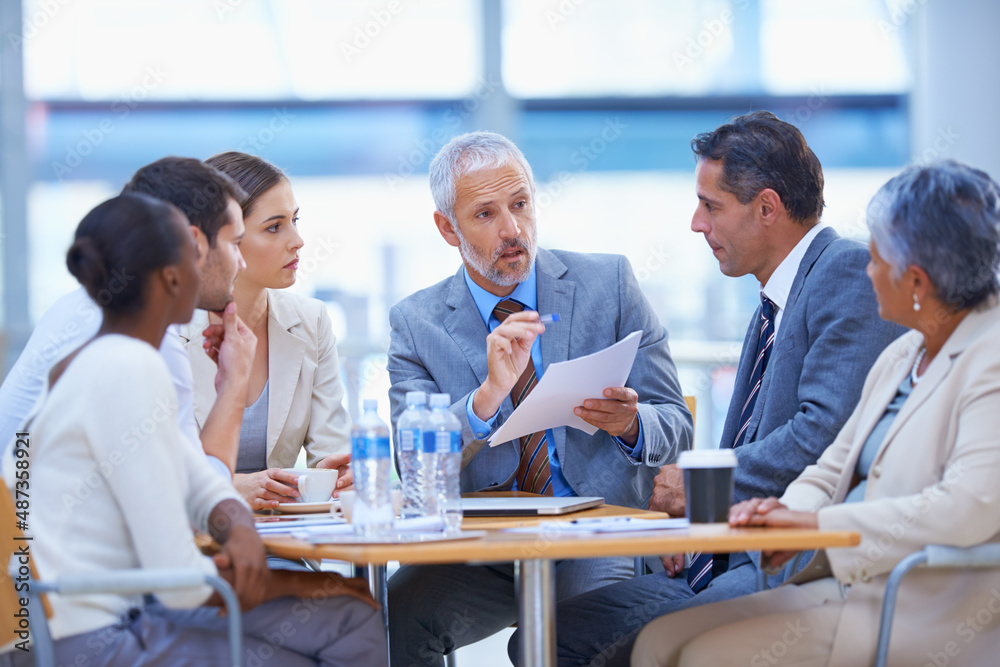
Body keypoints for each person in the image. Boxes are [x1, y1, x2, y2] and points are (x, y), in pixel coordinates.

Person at [544, 111, 905, 666]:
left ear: (766, 207)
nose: (695, 223)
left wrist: (703, 489)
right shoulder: (774, 300)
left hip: (784, 566)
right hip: (725, 549)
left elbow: (823, 434)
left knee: (577, 644)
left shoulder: (844, 272)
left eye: (710, 206)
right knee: (542, 637)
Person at [631, 160, 1000, 666]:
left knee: (703, 656)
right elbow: (831, 465)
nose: (866, 271)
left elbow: (968, 505)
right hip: (846, 580)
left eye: (876, 258)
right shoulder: (905, 354)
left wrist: (817, 522)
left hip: (925, 601)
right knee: (657, 641)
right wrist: (786, 515)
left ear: (916, 279)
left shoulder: (991, 358)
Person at [0, 193, 386, 666]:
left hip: (114, 610)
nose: (234, 260)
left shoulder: (116, 354)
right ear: (175, 275)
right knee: (347, 616)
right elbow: (179, 583)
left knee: (349, 614)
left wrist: (237, 523)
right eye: (229, 246)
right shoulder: (129, 368)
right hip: (99, 633)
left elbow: (191, 477)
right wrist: (300, 582)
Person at [386, 131, 693, 665]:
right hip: (487, 549)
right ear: (446, 227)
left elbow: (677, 424)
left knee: (559, 644)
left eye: (521, 204)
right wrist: (487, 397)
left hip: (593, 531)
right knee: (396, 617)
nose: (512, 229)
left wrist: (630, 424)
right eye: (485, 214)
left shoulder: (609, 284)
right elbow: (412, 466)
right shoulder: (416, 324)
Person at [0, 157, 256, 479]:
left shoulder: (78, 308)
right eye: (235, 244)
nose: (241, 264)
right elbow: (194, 504)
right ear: (193, 244)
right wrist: (235, 383)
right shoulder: (145, 338)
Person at [178, 151, 352, 511]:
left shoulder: (311, 320)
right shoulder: (168, 331)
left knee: (335, 573)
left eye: (295, 220)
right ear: (226, 237)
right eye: (275, 227)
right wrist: (231, 487)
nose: (298, 240)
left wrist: (342, 474)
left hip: (285, 541)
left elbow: (331, 453)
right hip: (194, 543)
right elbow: (152, 474)